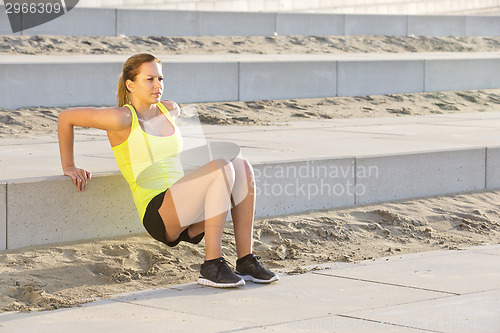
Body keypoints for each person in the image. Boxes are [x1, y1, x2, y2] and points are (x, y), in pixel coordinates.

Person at [58, 53, 278, 288]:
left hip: (185, 206)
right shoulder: (121, 118)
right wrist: (69, 165)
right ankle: (212, 264)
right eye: (149, 79)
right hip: (158, 212)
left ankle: (245, 260)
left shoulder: (170, 109)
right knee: (222, 166)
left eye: (160, 79)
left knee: (241, 165)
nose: (157, 85)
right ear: (130, 84)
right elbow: (66, 117)